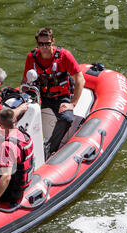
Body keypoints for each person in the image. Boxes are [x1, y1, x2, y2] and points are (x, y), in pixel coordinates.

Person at [22, 28, 85, 159]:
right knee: (23, 112)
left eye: (47, 43)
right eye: (41, 44)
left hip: (61, 96)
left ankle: (50, 148)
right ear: (37, 43)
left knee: (67, 118)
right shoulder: (31, 58)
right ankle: (23, 144)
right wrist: (24, 98)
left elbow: (80, 79)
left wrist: (72, 103)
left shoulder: (64, 56)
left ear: (53, 42)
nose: (44, 47)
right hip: (41, 95)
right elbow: (25, 81)